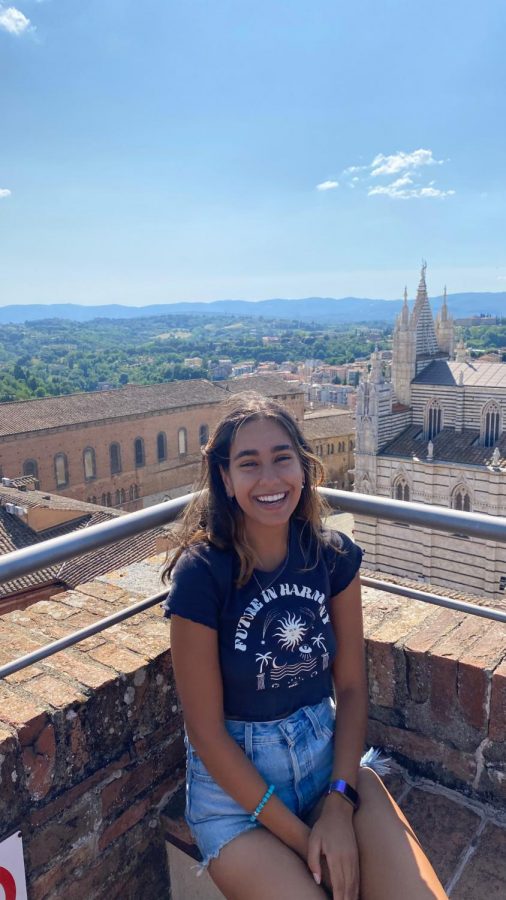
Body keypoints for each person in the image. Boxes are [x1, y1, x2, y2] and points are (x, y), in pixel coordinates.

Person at [163, 393, 448, 900]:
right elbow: (206, 734)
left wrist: (338, 806)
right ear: (225, 480)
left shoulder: (333, 558)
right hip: (236, 802)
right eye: (249, 464)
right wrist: (307, 839)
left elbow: (354, 688)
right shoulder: (201, 575)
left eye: (282, 458)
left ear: (304, 467)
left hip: (326, 768)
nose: (270, 479)